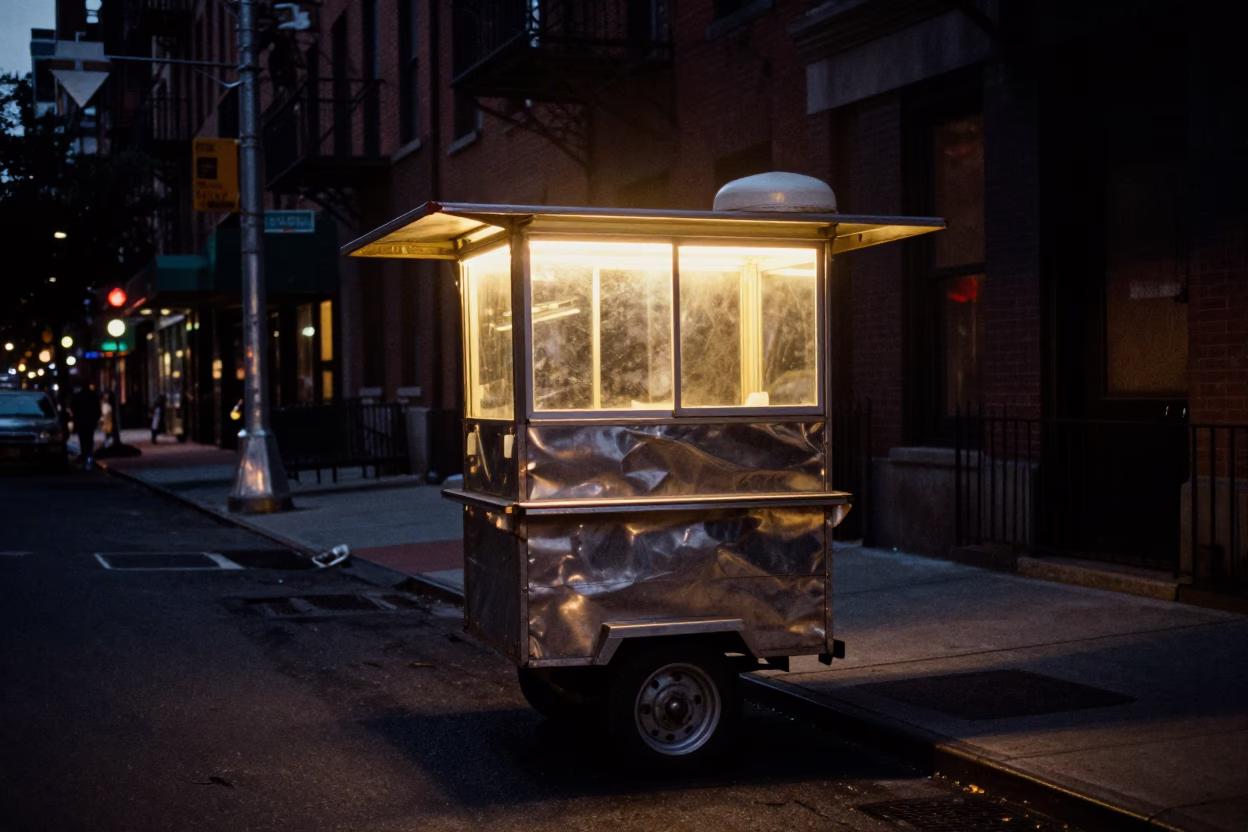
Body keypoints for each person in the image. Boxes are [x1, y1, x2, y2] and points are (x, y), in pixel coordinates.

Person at [70, 384, 102, 468]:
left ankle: (86, 455)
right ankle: (88, 455)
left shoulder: (79, 396)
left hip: (82, 421)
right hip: (89, 421)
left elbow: (73, 406)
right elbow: (97, 408)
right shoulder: (92, 396)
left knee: (84, 439)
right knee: (89, 439)